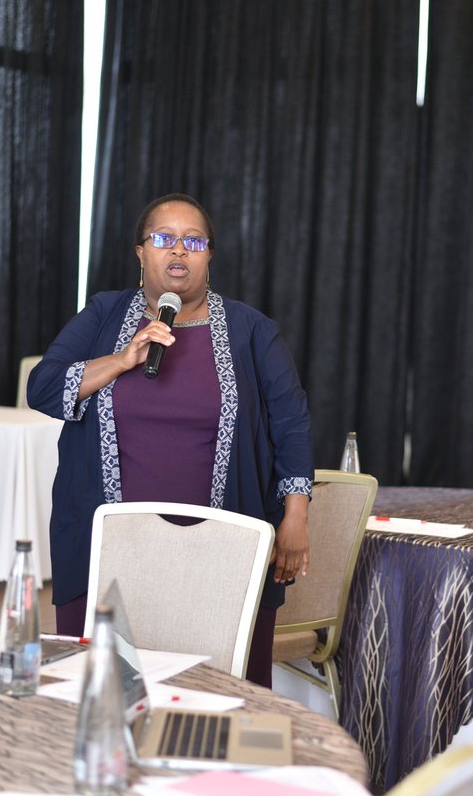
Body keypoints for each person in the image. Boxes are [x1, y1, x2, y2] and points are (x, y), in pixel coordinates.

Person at [27, 193, 312, 687]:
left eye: (193, 241)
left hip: (221, 551)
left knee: (219, 697)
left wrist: (296, 516)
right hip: (109, 549)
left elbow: (292, 423)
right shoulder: (104, 314)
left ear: (209, 255)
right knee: (102, 692)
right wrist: (121, 359)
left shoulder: (250, 330)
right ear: (141, 252)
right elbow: (43, 388)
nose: (178, 250)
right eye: (163, 238)